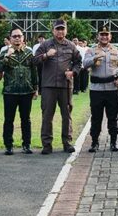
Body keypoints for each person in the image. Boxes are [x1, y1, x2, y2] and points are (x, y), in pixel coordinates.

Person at [33, 19, 82, 154]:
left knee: (66, 115)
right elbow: (34, 60)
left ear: (66, 30)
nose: (60, 31)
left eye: (62, 29)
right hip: (48, 86)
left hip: (65, 86)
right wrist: (45, 55)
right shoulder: (45, 45)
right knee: (47, 115)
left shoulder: (71, 46)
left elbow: (79, 62)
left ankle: (67, 142)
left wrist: (73, 72)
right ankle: (47, 144)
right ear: (53, 30)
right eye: (58, 29)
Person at [83, 25, 118, 152]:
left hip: (112, 89)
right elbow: (84, 64)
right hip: (96, 89)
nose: (104, 37)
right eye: (101, 34)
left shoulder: (117, 51)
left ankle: (113, 142)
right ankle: (94, 142)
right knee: (96, 117)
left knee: (113, 117)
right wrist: (94, 58)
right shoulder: (91, 51)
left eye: (106, 34)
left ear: (110, 36)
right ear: (98, 36)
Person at [0, 28, 38, 155]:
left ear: (23, 38)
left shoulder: (29, 52)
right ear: (10, 38)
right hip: (10, 92)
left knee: (26, 119)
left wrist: (35, 88)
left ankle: (26, 144)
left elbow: (34, 71)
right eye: (14, 36)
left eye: (19, 36)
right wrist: (7, 56)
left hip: (26, 91)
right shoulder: (4, 51)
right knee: (9, 119)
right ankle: (8, 145)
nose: (17, 38)